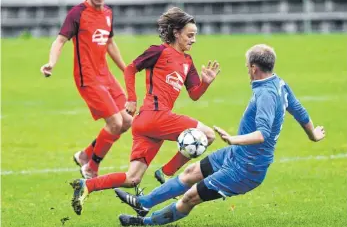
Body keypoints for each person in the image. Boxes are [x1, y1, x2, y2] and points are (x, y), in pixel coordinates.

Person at [114, 44, 326, 226]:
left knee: (190, 197)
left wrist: (234, 139)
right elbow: (298, 109)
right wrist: (312, 135)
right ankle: (144, 203)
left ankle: (145, 223)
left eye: (247, 67)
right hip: (237, 154)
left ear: (253, 68)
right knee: (191, 172)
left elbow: (262, 134)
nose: (247, 70)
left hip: (247, 169)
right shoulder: (278, 83)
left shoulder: (266, 94)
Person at [70, 7, 221, 216]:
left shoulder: (187, 62)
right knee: (208, 135)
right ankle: (167, 173)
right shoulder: (158, 51)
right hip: (155, 115)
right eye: (190, 35)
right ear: (176, 32)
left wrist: (205, 83)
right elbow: (131, 68)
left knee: (133, 178)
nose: (193, 40)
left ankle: (87, 185)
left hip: (148, 124)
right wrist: (131, 99)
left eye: (195, 35)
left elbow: (194, 94)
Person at [40, 0, 132, 179]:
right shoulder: (77, 13)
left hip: (106, 75)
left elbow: (109, 43)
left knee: (126, 121)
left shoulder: (107, 13)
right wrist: (51, 63)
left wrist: (125, 69)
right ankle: (91, 167)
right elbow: (60, 40)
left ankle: (85, 155)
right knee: (115, 123)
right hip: (87, 78)